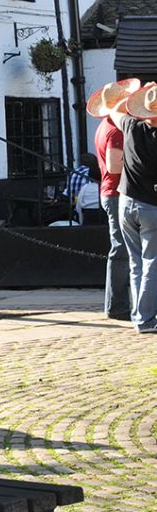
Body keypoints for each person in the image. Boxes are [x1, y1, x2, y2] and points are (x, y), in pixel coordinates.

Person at [88, 79, 139, 320]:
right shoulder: (115, 129)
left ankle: (118, 304)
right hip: (116, 192)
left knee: (122, 249)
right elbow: (114, 165)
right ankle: (117, 305)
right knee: (120, 250)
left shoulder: (103, 127)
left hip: (110, 192)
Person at [114, 82, 157, 334]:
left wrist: (135, 96)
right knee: (152, 261)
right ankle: (146, 318)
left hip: (125, 202)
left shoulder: (130, 126)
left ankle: (139, 315)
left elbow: (112, 111)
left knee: (135, 262)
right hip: (151, 206)